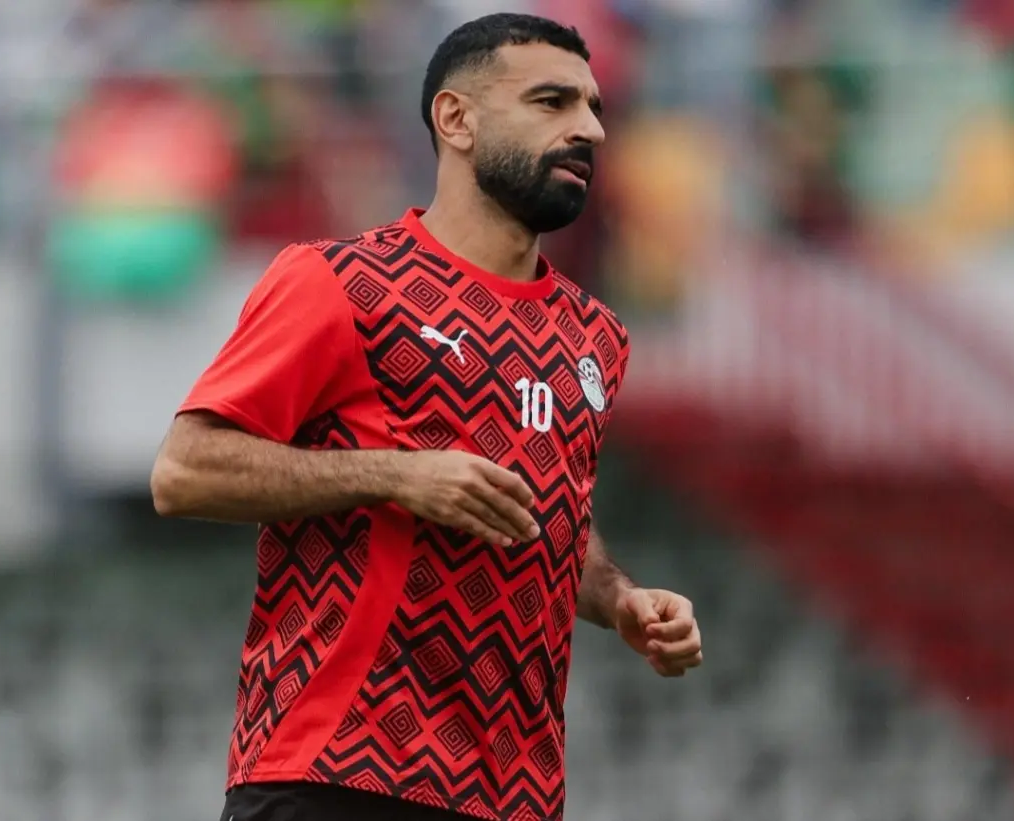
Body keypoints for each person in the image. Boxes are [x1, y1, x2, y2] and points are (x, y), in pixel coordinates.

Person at [151, 13, 703, 821]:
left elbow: (552, 518)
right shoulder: (339, 283)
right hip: (337, 771)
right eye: (550, 101)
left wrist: (620, 598)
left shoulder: (594, 335)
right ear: (456, 119)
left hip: (513, 794)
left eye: (593, 107)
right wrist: (397, 473)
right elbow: (184, 470)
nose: (588, 128)